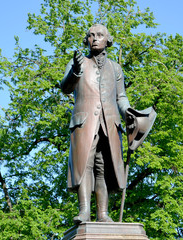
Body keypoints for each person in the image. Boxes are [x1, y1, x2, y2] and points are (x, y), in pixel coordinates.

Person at [61, 24, 131, 224]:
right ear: (87, 40)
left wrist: (128, 113)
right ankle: (84, 211)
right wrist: (75, 70)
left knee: (103, 169)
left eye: (100, 35)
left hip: (109, 124)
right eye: (91, 36)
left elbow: (121, 97)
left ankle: (102, 214)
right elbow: (65, 87)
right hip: (84, 125)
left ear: (108, 39)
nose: (95, 38)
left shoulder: (115, 68)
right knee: (84, 166)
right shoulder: (79, 63)